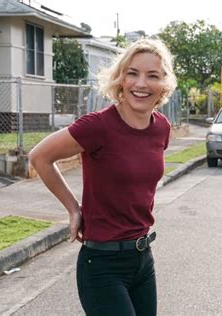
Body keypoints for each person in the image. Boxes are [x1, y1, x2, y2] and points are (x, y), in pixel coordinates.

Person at [29, 38, 177, 315]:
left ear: (164, 84)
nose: (141, 83)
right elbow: (40, 157)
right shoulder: (98, 126)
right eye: (132, 73)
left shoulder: (162, 129)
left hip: (143, 259)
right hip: (102, 265)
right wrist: (74, 209)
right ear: (121, 78)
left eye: (152, 75)